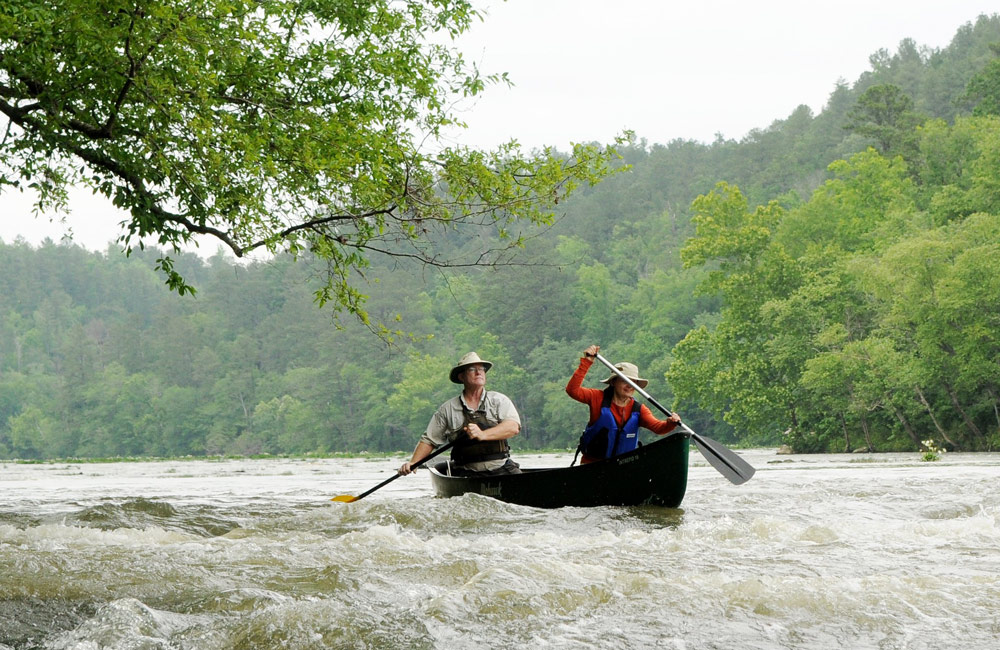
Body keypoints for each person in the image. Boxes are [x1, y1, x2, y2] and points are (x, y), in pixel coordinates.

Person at [399, 351, 522, 477]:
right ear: (461, 376)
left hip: (502, 469)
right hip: (465, 473)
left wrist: (482, 434)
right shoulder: (447, 409)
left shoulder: (499, 400)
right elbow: (429, 440)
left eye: (481, 369)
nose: (478, 372)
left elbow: (513, 427)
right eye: (472, 369)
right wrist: (413, 462)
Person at [566, 344, 681, 464]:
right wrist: (587, 361)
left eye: (633, 382)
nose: (630, 386)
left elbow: (659, 428)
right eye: (625, 381)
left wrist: (670, 423)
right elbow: (572, 390)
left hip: (622, 468)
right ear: (613, 382)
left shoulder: (639, 409)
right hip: (592, 465)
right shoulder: (597, 398)